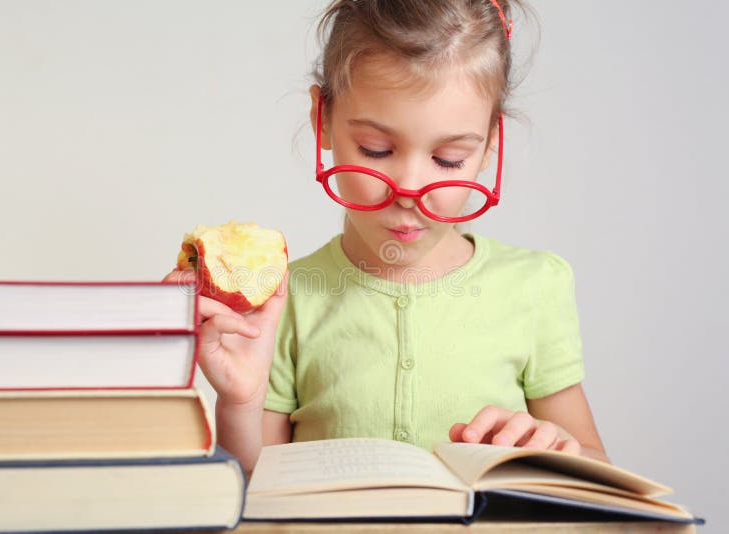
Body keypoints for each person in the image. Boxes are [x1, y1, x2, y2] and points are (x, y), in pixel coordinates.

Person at [167, 0, 608, 474]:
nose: (410, 190)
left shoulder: (535, 286)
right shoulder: (283, 298)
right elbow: (257, 487)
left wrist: (561, 451)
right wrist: (241, 402)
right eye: (377, 150)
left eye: (449, 159)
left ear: (489, 144)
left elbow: (598, 466)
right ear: (323, 122)